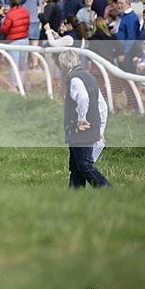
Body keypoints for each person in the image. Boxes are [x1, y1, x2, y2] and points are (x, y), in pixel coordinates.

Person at [58, 50, 112, 189]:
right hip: (92, 129)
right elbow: (103, 106)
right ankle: (75, 199)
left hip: (81, 130)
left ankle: (109, 190)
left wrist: (81, 119)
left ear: (64, 65)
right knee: (76, 168)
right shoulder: (90, 77)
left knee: (84, 166)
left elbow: (83, 98)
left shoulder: (74, 79)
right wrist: (100, 129)